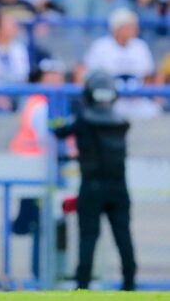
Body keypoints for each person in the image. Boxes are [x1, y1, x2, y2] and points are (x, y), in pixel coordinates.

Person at [52, 71, 136, 291]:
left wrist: (58, 118)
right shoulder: (121, 122)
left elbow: (58, 131)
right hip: (119, 187)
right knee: (123, 236)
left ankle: (82, 287)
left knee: (88, 237)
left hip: (91, 186)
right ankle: (129, 284)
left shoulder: (83, 121)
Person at [84, 8, 158, 121]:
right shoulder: (100, 46)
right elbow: (91, 77)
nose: (135, 29)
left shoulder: (140, 46)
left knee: (154, 112)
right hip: (109, 100)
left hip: (136, 100)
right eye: (130, 26)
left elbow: (148, 76)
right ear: (118, 28)